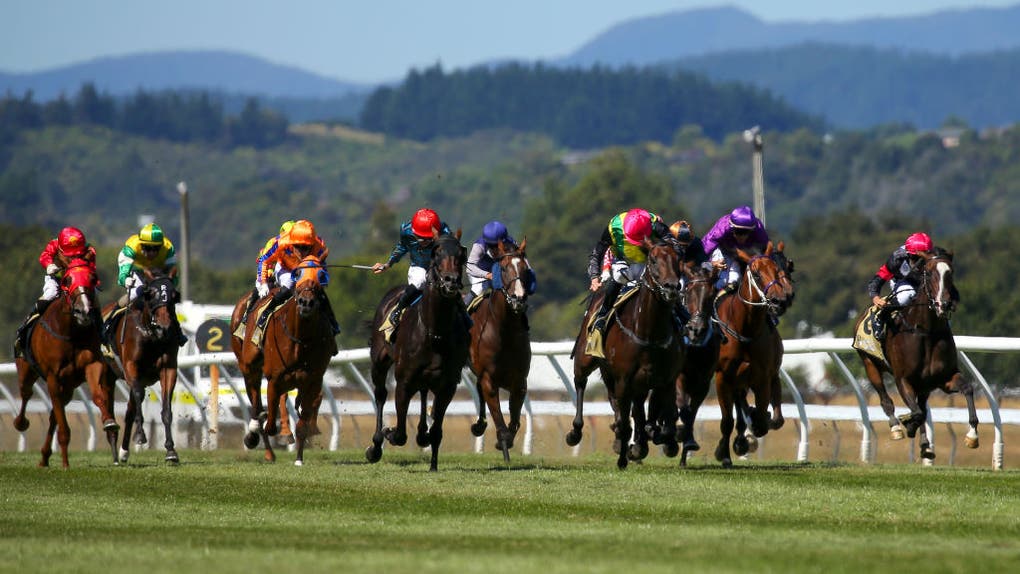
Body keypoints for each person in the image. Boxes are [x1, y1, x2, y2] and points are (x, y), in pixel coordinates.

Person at [14, 227, 100, 356]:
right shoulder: (54, 244)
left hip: (78, 281)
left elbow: (91, 269)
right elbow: (44, 256)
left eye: (77, 253)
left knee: (94, 298)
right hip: (57, 277)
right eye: (71, 254)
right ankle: (24, 329)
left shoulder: (89, 250)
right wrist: (49, 265)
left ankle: (102, 333)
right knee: (50, 294)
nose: (75, 256)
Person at [587, 208, 672, 335]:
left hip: (649, 264)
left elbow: (674, 246)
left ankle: (681, 314)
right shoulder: (613, 228)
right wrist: (594, 277)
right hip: (624, 263)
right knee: (618, 276)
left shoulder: (655, 224)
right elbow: (597, 253)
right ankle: (603, 314)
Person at [105, 223, 187, 346]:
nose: (152, 253)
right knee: (134, 294)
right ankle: (109, 324)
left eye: (156, 249)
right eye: (148, 248)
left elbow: (174, 277)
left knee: (165, 298)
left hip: (158, 273)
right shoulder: (131, 247)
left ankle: (178, 332)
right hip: (138, 270)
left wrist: (168, 288)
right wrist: (125, 279)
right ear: (141, 244)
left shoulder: (168, 249)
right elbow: (123, 274)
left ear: (161, 246)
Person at [372, 208, 453, 329]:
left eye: (428, 238)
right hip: (418, 266)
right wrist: (387, 264)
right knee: (420, 281)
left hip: (438, 268)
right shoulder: (406, 232)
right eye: (420, 238)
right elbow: (401, 248)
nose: (424, 242)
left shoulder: (445, 233)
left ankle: (466, 318)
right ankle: (398, 310)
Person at [254, 219, 339, 334]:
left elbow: (322, 266)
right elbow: (264, 260)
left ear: (312, 244)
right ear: (291, 242)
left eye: (305, 248)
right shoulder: (281, 243)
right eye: (297, 247)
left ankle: (332, 322)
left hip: (305, 269)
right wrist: (263, 282)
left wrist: (321, 277)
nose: (301, 252)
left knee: (317, 291)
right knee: (289, 284)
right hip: (285, 268)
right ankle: (265, 314)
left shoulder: (319, 247)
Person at [866, 232, 955, 340]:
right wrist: (875, 296)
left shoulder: (934, 260)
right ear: (908, 254)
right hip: (903, 281)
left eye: (923, 258)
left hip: (924, 283)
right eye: (915, 258)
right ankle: (881, 317)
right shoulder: (897, 259)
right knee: (907, 295)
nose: (919, 263)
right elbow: (878, 278)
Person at [701, 205, 770, 292]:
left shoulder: (759, 229)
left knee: (737, 279)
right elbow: (703, 250)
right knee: (722, 281)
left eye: (745, 232)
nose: (741, 236)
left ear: (752, 230)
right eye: (738, 231)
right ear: (731, 227)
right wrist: (710, 264)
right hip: (722, 250)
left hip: (744, 253)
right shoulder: (722, 228)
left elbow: (768, 250)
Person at [239, 220, 295, 325]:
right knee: (262, 289)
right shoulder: (273, 242)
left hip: (288, 271)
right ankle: (247, 314)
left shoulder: (299, 244)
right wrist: (263, 282)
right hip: (269, 271)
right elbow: (263, 262)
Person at [466, 220, 520, 300]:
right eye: (492, 246)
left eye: (499, 244)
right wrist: (487, 275)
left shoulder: (512, 243)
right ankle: (464, 309)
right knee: (478, 290)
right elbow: (469, 267)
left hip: (501, 272)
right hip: (480, 272)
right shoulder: (479, 246)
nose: (497, 248)